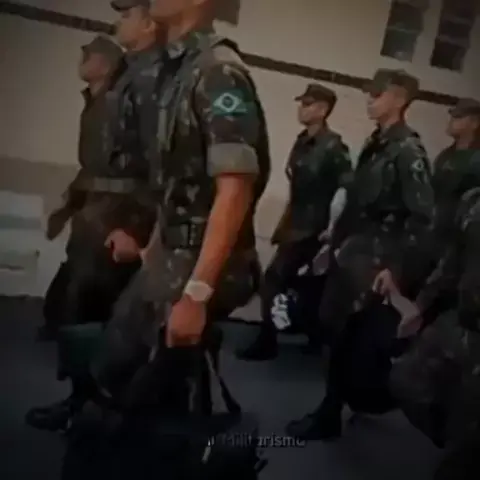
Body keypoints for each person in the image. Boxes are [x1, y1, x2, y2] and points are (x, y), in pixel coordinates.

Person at [96, 0, 270, 412]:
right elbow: (173, 183)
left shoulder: (218, 72)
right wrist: (152, 245)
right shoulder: (179, 70)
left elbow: (235, 189)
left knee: (149, 387)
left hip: (199, 261)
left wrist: (197, 294)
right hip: (172, 250)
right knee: (119, 366)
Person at [26, 4, 161, 431]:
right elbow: (94, 169)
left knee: (99, 316)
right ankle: (84, 399)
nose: (119, 21)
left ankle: (99, 405)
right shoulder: (104, 98)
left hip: (116, 224)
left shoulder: (142, 87)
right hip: (94, 219)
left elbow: (155, 168)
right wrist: (68, 208)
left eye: (128, 14)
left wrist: (134, 229)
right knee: (78, 310)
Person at [285, 69, 435, 441]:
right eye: (369, 93)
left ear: (399, 99)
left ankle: (332, 412)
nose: (369, 99)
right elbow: (355, 203)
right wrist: (332, 245)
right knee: (335, 330)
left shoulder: (407, 151)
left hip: (378, 258)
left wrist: (396, 269)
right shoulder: (377, 143)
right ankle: (340, 404)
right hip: (355, 250)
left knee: (349, 337)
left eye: (378, 94)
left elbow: (422, 217)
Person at [237, 84, 352, 361]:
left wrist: (333, 229)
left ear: (323, 110)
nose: (302, 109)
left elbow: (345, 190)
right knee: (303, 284)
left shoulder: (334, 146)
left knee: (275, 279)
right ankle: (313, 337)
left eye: (308, 104)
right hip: (296, 224)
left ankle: (268, 341)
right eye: (302, 103)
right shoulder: (302, 141)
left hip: (316, 229)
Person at [39, 35, 134, 341]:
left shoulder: (115, 105)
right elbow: (92, 166)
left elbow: (124, 167)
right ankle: (62, 326)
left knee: (90, 280)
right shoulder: (96, 103)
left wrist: (121, 221)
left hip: (108, 209)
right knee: (79, 271)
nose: (82, 60)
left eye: (89, 56)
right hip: (94, 205)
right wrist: (70, 204)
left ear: (106, 65)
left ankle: (78, 341)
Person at [387, 187, 480, 478]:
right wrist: (420, 305)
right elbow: (451, 264)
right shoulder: (473, 202)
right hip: (465, 325)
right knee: (406, 380)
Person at [407, 98, 480, 295]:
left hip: (456, 241)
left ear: (474, 122)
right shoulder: (447, 155)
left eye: (458, 117)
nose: (451, 120)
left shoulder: (476, 160)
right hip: (433, 236)